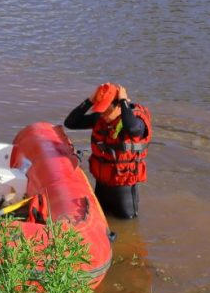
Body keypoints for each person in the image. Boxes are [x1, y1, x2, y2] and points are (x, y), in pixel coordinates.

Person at [65, 83, 151, 219]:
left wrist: (123, 101)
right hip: (102, 184)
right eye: (100, 110)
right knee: (101, 219)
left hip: (123, 187)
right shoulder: (101, 118)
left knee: (127, 224)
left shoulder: (136, 120)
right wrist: (89, 101)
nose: (102, 114)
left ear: (118, 105)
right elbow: (70, 123)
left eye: (106, 110)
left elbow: (133, 129)